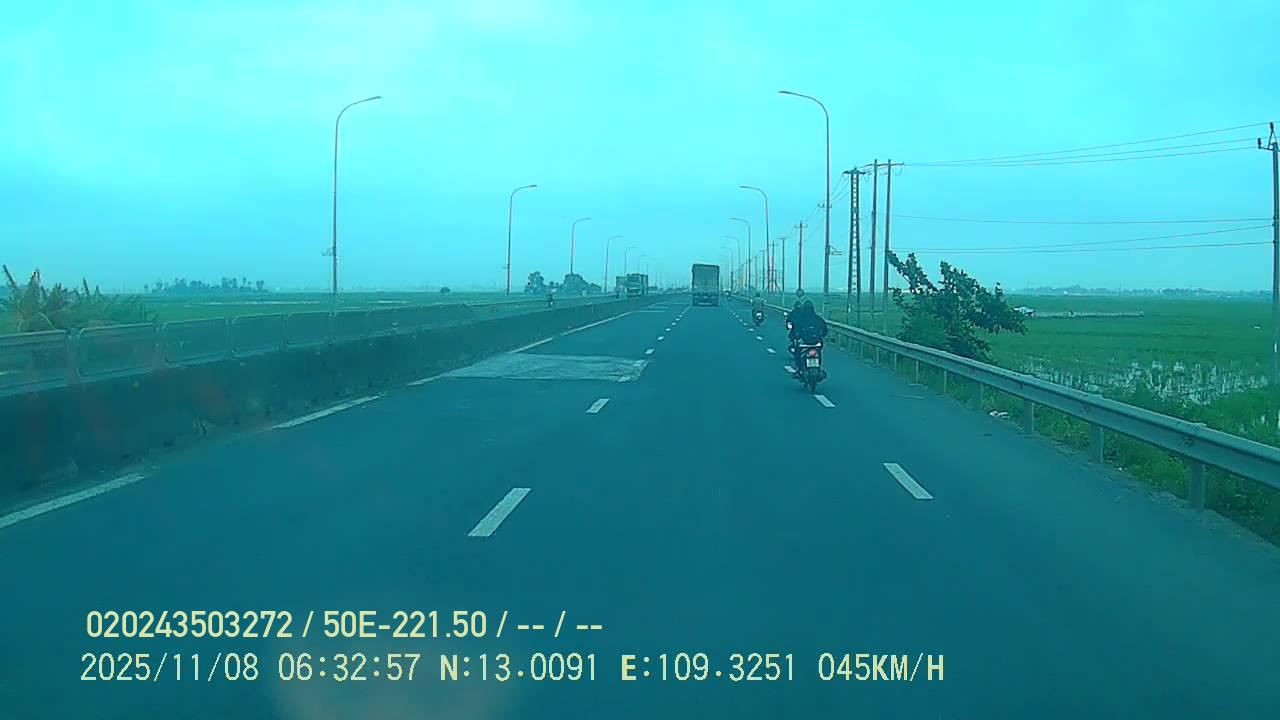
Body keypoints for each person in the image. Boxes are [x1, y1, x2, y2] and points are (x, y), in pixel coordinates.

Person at [788, 299, 827, 375]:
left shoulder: (801, 319)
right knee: (818, 352)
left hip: (804, 343)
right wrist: (821, 336)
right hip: (816, 343)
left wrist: (795, 335)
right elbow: (825, 330)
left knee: (798, 352)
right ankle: (818, 368)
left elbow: (795, 329)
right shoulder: (818, 319)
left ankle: (799, 369)